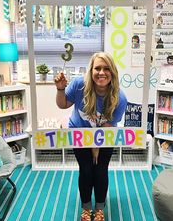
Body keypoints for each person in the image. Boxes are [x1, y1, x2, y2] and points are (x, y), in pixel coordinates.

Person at [54, 52, 127, 221]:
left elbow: (108, 126)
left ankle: (100, 208)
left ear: (113, 72)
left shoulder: (120, 98)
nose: (102, 72)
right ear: (91, 70)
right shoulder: (80, 85)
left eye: (106, 68)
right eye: (98, 68)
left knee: (100, 170)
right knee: (86, 170)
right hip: (79, 133)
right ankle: (86, 208)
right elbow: (63, 104)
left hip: (105, 136)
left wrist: (96, 148)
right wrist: (60, 89)